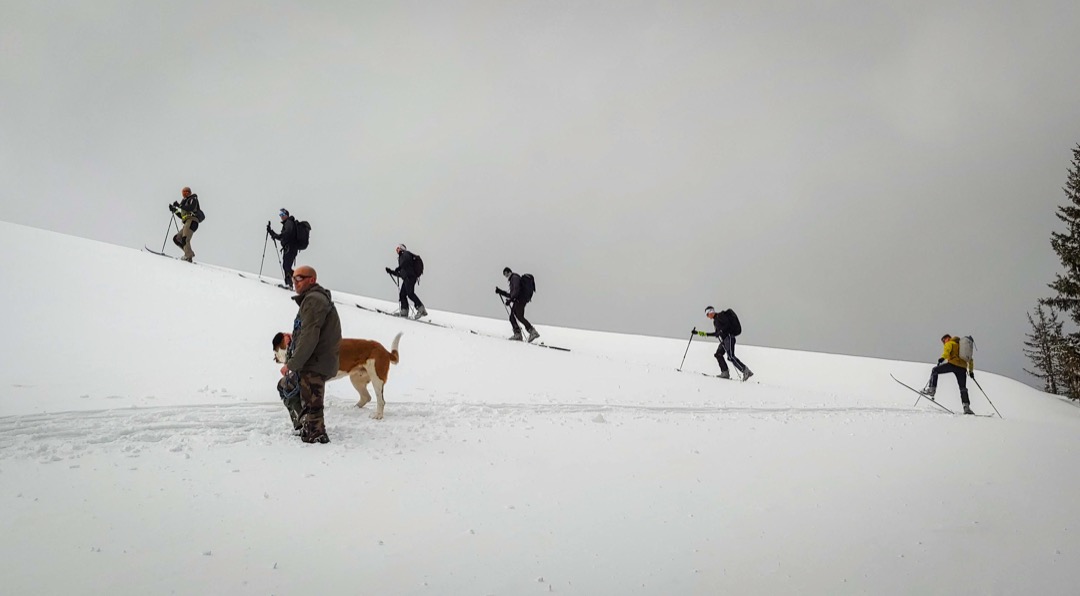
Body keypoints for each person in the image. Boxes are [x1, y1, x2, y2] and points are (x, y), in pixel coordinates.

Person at [278, 265, 341, 443]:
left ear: (311, 280)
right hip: (311, 362)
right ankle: (303, 426)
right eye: (293, 279)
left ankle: (314, 434)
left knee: (313, 409)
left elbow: (310, 336)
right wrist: (293, 341)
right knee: (286, 386)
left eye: (299, 278)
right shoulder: (312, 300)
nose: (295, 282)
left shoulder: (314, 300)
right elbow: (306, 332)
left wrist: (292, 363)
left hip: (315, 363)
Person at [920, 334, 976, 415]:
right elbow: (970, 360)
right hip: (962, 369)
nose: (943, 342)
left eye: (943, 340)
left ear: (947, 338)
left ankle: (931, 390)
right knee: (963, 388)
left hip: (953, 365)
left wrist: (942, 358)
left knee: (935, 370)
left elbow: (947, 351)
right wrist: (971, 372)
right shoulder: (962, 346)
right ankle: (966, 407)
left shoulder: (950, 343)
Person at [696, 306, 753, 381]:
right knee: (718, 354)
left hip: (729, 338)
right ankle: (725, 372)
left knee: (731, 357)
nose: (708, 316)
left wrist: (721, 331)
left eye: (707, 314)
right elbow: (716, 333)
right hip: (724, 340)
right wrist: (698, 333)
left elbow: (727, 324)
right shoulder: (715, 321)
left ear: (711, 312)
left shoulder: (720, 315)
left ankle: (746, 371)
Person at [496, 267, 539, 342]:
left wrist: (510, 300)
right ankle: (527, 332)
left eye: (505, 274)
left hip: (519, 300)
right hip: (520, 300)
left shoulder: (514, 278)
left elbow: (516, 291)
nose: (505, 276)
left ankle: (524, 333)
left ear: (508, 272)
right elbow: (512, 294)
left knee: (515, 316)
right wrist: (501, 292)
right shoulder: (514, 278)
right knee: (517, 316)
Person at [385, 244, 427, 319]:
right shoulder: (401, 258)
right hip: (407, 278)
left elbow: (406, 262)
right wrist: (391, 272)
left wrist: (399, 267)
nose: (397, 250)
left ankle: (421, 309)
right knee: (402, 294)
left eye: (398, 248)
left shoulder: (405, 254)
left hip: (410, 277)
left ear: (401, 248)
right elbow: (401, 273)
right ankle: (404, 311)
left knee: (410, 293)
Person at [267, 208, 299, 289]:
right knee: (286, 266)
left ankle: (294, 283)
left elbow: (284, 235)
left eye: (282, 215)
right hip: (290, 248)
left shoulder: (288, 223)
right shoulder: (288, 223)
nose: (281, 217)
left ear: (286, 215)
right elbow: (283, 236)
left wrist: (274, 234)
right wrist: (272, 233)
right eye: (280, 215)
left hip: (290, 248)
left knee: (286, 266)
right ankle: (291, 283)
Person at [169, 187, 201, 262]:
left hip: (192, 220)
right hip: (187, 222)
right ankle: (189, 253)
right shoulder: (184, 202)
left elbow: (190, 208)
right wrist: (175, 210)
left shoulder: (193, 199)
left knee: (185, 238)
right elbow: (183, 216)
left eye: (187, 192)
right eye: (183, 192)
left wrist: (178, 206)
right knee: (177, 238)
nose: (185, 194)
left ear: (190, 192)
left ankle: (188, 256)